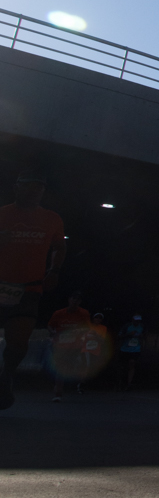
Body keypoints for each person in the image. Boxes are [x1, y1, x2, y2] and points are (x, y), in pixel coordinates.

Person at [0, 172, 66, 409]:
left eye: (39, 189)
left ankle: (6, 375)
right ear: (17, 188)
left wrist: (54, 270)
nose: (34, 192)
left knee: (18, 342)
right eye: (29, 187)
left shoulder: (51, 218)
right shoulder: (3, 213)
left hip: (28, 288)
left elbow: (60, 246)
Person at [47, 290, 90, 402]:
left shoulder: (84, 313)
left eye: (78, 299)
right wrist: (53, 332)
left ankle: (75, 385)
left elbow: (87, 328)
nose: (75, 301)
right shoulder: (58, 313)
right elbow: (50, 326)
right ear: (69, 300)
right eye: (73, 298)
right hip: (60, 345)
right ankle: (58, 393)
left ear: (80, 302)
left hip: (75, 345)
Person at [78, 311, 110, 390]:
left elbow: (102, 341)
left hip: (95, 350)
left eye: (100, 318)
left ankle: (85, 383)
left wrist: (95, 335)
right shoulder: (88, 326)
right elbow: (81, 337)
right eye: (96, 317)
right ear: (93, 318)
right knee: (87, 365)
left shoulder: (103, 328)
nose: (98, 319)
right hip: (86, 349)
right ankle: (81, 383)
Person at [118, 314, 144, 390]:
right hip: (125, 349)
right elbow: (119, 336)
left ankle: (129, 383)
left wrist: (141, 340)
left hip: (135, 349)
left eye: (138, 321)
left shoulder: (141, 327)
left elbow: (144, 337)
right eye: (136, 321)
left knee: (132, 363)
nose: (137, 322)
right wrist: (128, 334)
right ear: (133, 320)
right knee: (123, 366)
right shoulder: (127, 326)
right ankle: (121, 383)